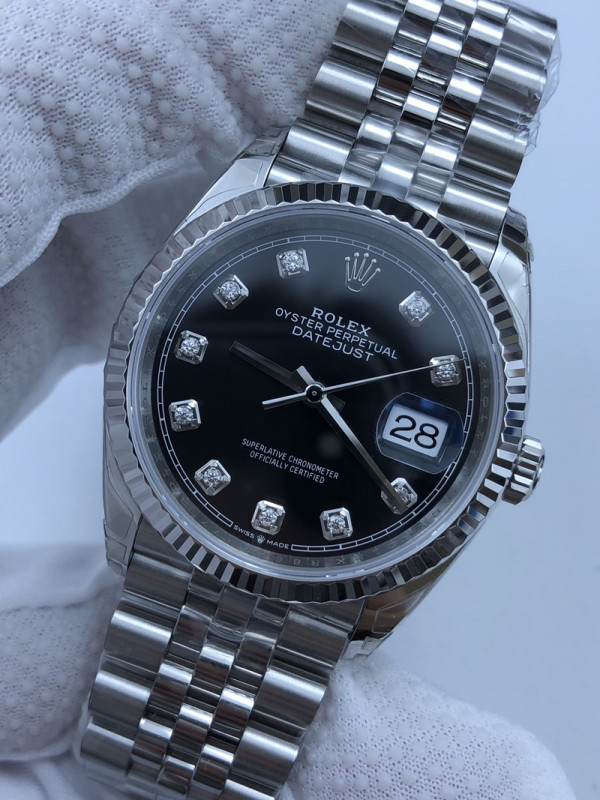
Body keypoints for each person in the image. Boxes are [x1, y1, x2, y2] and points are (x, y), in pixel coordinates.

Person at [0, 1, 577, 798]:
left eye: (322, 389)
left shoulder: (479, 308)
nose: (312, 389)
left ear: (503, 464)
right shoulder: (252, 200)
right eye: (306, 384)